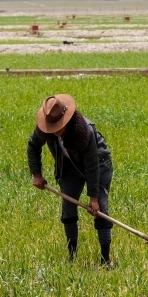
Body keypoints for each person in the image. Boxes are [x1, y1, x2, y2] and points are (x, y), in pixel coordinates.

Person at [27, 94, 114, 266]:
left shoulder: (85, 132)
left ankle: (105, 260)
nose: (54, 130)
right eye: (52, 126)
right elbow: (33, 146)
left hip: (99, 165)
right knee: (68, 208)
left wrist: (93, 198)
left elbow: (92, 166)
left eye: (58, 126)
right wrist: (36, 174)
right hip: (69, 166)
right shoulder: (45, 128)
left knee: (101, 210)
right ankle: (72, 257)